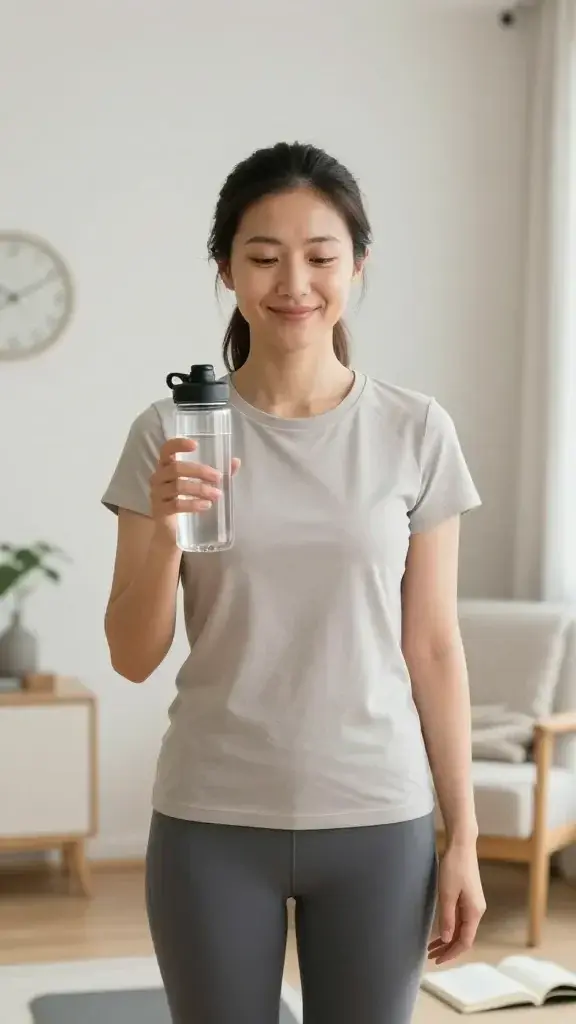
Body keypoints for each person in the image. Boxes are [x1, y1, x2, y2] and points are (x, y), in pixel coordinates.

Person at [102, 141, 486, 1024]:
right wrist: (162, 531)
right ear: (226, 270)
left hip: (379, 822)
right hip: (210, 818)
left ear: (358, 264)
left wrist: (462, 838)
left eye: (320, 256)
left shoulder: (416, 429)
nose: (294, 282)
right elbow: (130, 656)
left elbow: (433, 649)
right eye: (264, 257)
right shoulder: (171, 430)